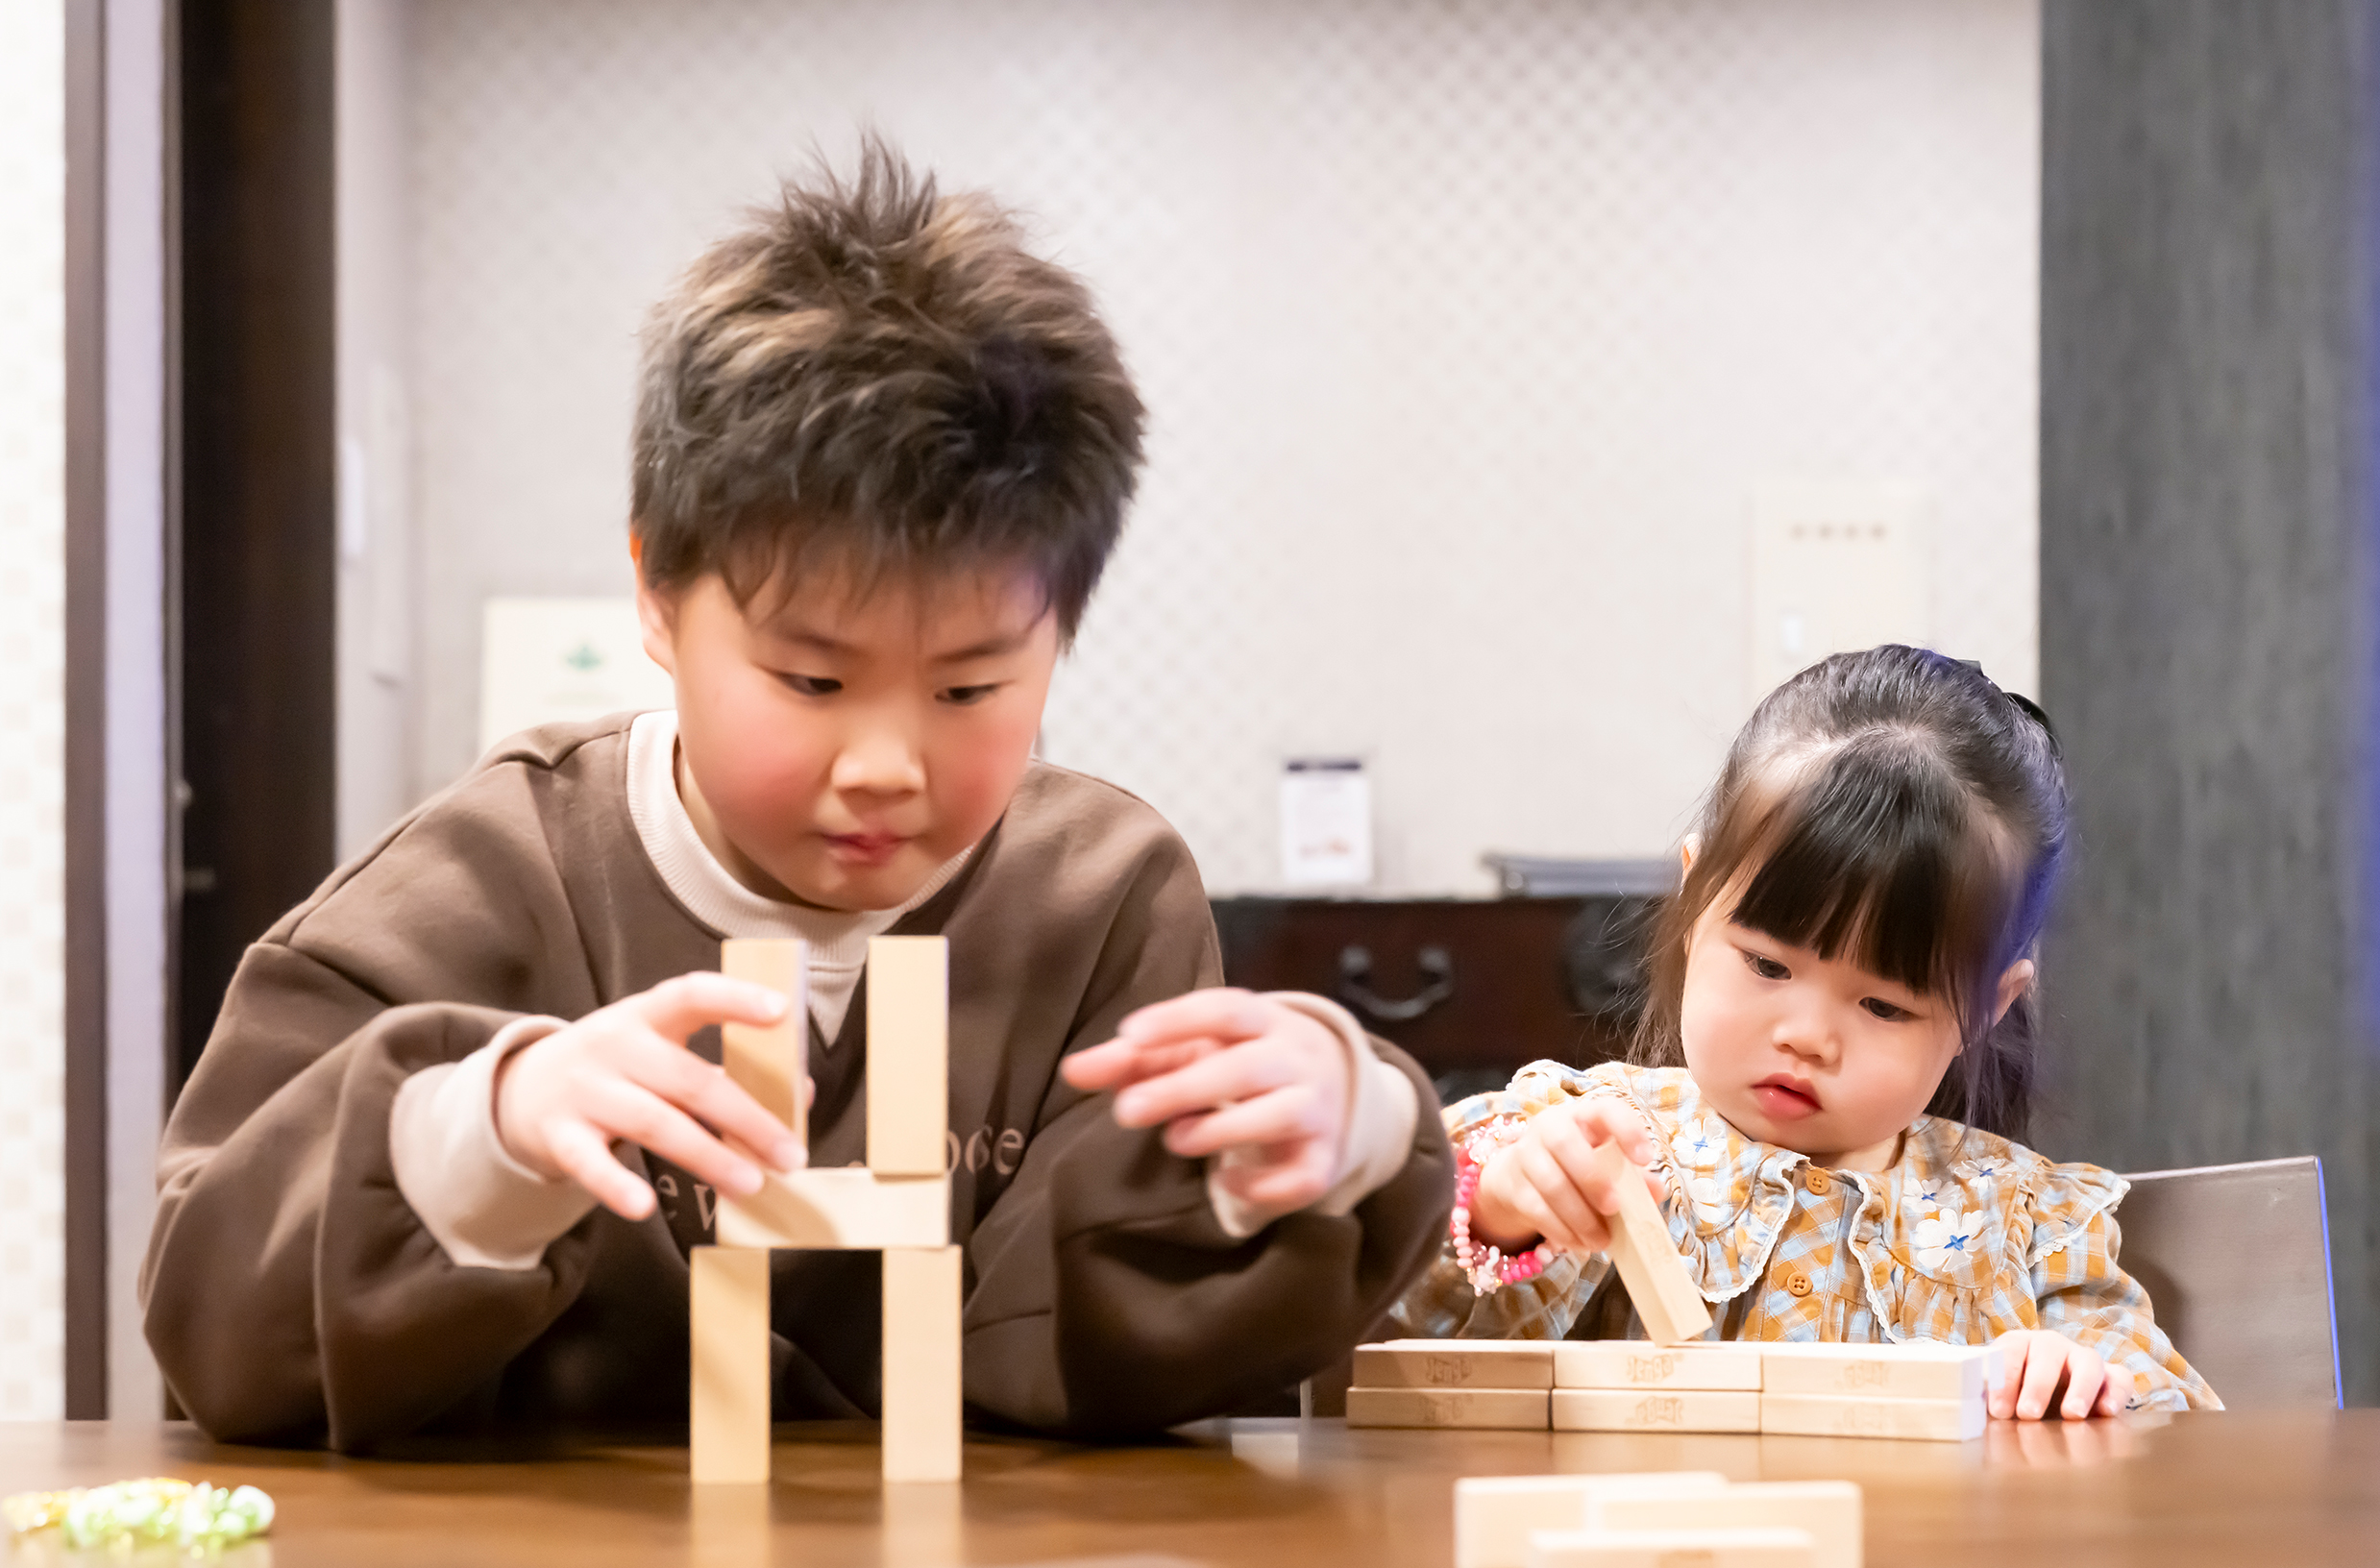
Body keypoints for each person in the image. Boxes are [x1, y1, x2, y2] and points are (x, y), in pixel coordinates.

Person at [142, 142, 1453, 1451]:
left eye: (967, 688)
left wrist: (1342, 1128)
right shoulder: (482, 882)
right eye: (812, 679)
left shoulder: (1099, 891)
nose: (885, 764)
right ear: (657, 592)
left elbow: (1119, 1334)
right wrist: (479, 1132)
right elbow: (215, 1325)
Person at [1392, 645, 2219, 1415]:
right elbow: (1389, 1320)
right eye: (1767, 965)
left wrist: (2082, 1384)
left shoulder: (2030, 1221)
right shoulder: (1586, 1138)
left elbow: (2169, 1423)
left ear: (1987, 1007)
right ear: (1694, 903)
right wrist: (1504, 1212)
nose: (1807, 1036)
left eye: (1884, 1006)